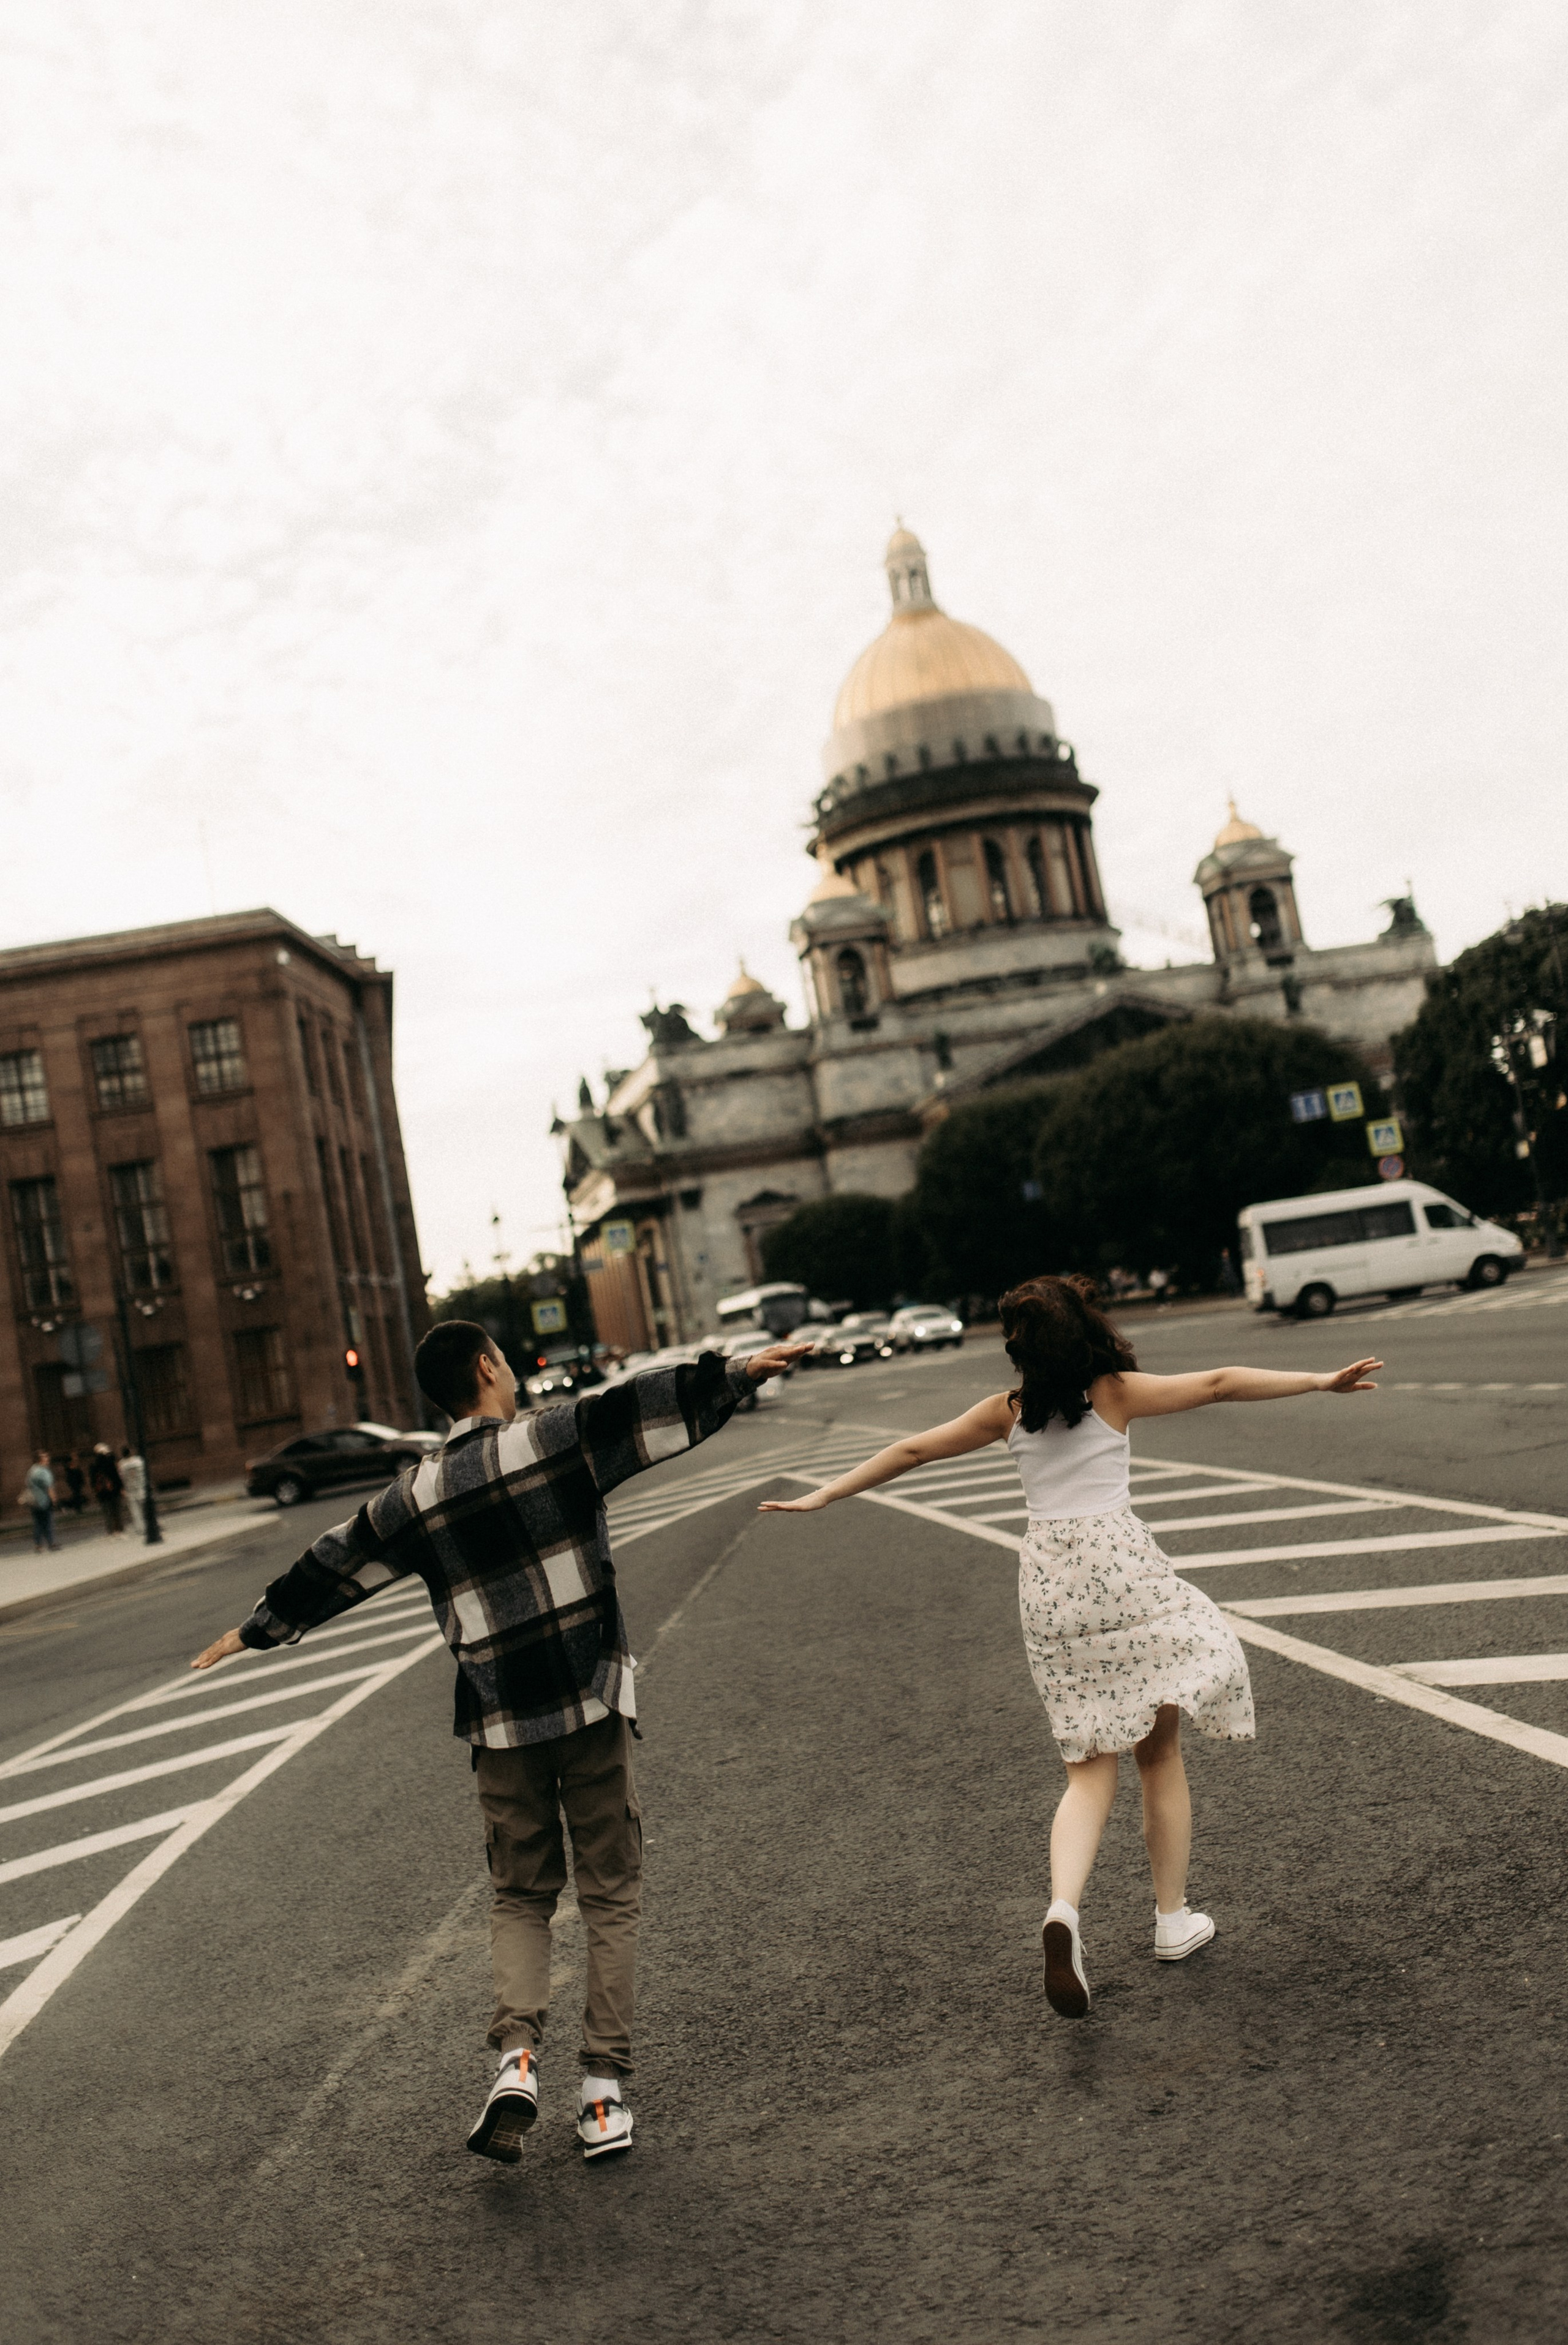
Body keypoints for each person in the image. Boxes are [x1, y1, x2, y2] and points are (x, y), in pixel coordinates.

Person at [190, 1319, 809, 2163]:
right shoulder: (551, 1441)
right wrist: (734, 1372)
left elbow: (337, 1562)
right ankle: (600, 2096)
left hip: (497, 1723)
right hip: (588, 1701)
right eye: (507, 1362)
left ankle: (517, 2058)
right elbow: (640, 1413)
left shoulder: (413, 1494)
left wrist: (255, 1629)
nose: (514, 1373)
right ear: (486, 1368)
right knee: (610, 1894)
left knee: (520, 1897)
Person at [758, 1272, 1381, 2020]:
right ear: (1082, 1330)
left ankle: (1062, 1909)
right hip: (1124, 1577)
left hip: (1051, 1589)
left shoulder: (1006, 1413)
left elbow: (912, 1450)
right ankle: (1171, 1919)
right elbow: (1218, 1383)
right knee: (1160, 1750)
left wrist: (824, 1494)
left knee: (1087, 1773)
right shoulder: (1112, 1393)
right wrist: (1319, 1379)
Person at [22, 1451, 56, 1552]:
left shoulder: (32, 1470)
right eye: (46, 1458)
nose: (48, 1460)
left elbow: (28, 1483)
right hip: (44, 1500)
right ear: (41, 1460)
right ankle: (51, 1544)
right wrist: (54, 1499)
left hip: (33, 1501)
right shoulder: (44, 1471)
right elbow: (49, 1486)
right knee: (48, 1522)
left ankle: (38, 1545)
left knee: (38, 1523)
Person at [89, 1443, 125, 1536]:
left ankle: (110, 1530)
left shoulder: (93, 1465)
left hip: (102, 1492)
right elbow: (116, 1476)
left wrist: (96, 1489)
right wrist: (121, 1488)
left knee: (107, 1512)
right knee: (117, 1510)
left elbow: (93, 1480)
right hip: (114, 1490)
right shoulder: (110, 1462)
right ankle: (120, 1529)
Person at [119, 1443, 147, 1537]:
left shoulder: (122, 1465)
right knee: (144, 1508)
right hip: (140, 1487)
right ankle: (147, 1526)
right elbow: (143, 1473)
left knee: (135, 1511)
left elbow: (121, 1477)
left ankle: (140, 1528)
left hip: (129, 1489)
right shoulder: (138, 1461)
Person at [63, 1452, 87, 1516]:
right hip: (74, 1483)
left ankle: (75, 1507)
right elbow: (70, 1476)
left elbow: (80, 1474)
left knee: (77, 1495)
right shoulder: (70, 1467)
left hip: (78, 1483)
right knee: (76, 1496)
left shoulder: (76, 1466)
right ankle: (74, 1507)